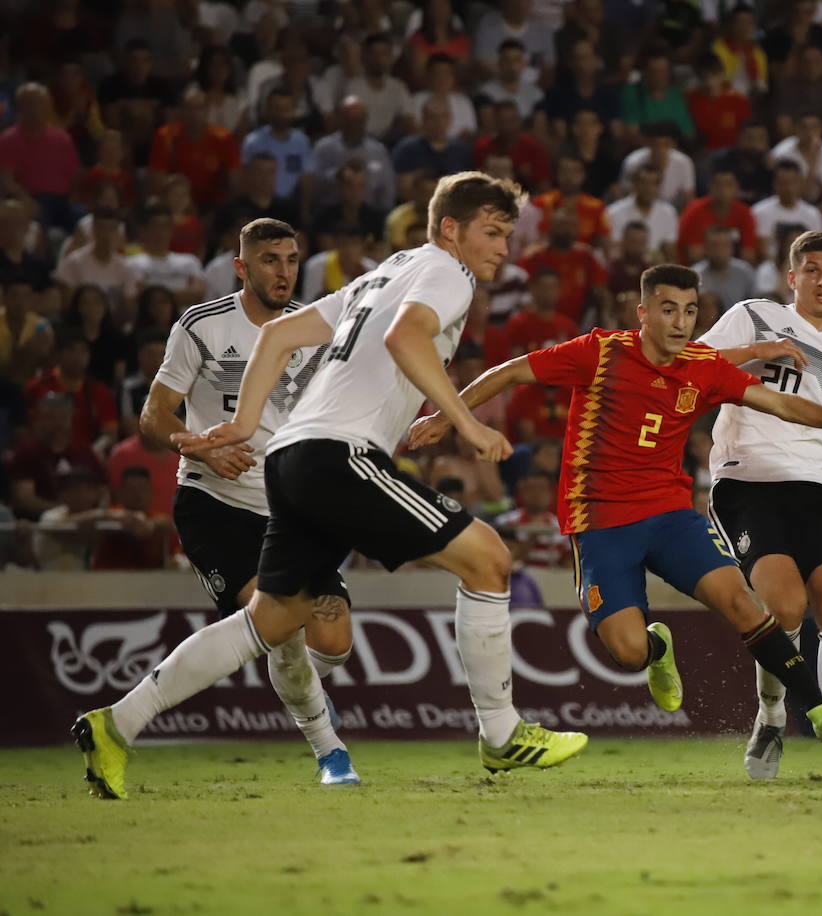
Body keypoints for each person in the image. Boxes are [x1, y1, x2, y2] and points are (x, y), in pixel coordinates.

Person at [74, 173, 589, 801]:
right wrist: (463, 420)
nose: (504, 248)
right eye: (492, 231)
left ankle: (115, 724)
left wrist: (242, 421)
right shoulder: (448, 272)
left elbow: (278, 334)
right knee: (487, 558)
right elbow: (406, 337)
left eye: (509, 235)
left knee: (270, 619)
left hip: (289, 459)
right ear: (450, 228)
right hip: (339, 454)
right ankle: (503, 734)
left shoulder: (387, 270)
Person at [410, 264, 822, 758]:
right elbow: (512, 370)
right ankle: (657, 649)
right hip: (600, 522)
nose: (680, 321)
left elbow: (780, 404)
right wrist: (451, 417)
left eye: (689, 311)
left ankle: (818, 710)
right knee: (628, 652)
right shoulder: (600, 353)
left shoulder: (702, 367)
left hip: (670, 514)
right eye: (668, 310)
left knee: (741, 602)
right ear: (643, 313)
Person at [137, 216, 355, 784]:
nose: (283, 272)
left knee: (332, 640)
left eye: (291, 260)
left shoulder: (313, 328)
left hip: (291, 508)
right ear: (241, 266)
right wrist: (201, 449)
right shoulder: (202, 327)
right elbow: (153, 414)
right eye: (269, 260)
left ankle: (306, 692)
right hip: (215, 498)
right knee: (278, 621)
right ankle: (331, 752)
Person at [696, 231, 822, 780]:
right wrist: (755, 352)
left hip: (818, 492)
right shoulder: (753, 316)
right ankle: (772, 715)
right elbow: (687, 363)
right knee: (787, 608)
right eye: (811, 269)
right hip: (747, 484)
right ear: (791, 277)